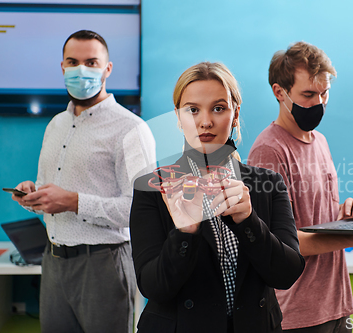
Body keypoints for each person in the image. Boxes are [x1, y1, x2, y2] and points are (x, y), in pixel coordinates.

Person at [247, 41, 353, 332]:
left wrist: (347, 213)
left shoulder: (320, 141)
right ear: (280, 92)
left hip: (337, 305)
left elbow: (310, 217)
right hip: (297, 315)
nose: (320, 103)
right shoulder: (268, 151)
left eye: (325, 93)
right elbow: (277, 244)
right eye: (309, 94)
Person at [130, 62, 305, 333]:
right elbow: (153, 287)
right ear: (178, 117)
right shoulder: (153, 186)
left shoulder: (267, 184)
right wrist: (185, 234)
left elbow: (287, 274)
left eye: (219, 108)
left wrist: (248, 220)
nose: (206, 121)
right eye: (192, 110)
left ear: (235, 114)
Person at [11, 30, 156, 333]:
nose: (81, 70)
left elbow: (141, 211)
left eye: (91, 62)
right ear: (62, 67)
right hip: (53, 264)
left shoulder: (131, 129)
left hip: (103, 265)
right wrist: (33, 196)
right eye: (73, 62)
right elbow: (49, 192)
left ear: (108, 68)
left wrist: (73, 201)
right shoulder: (55, 125)